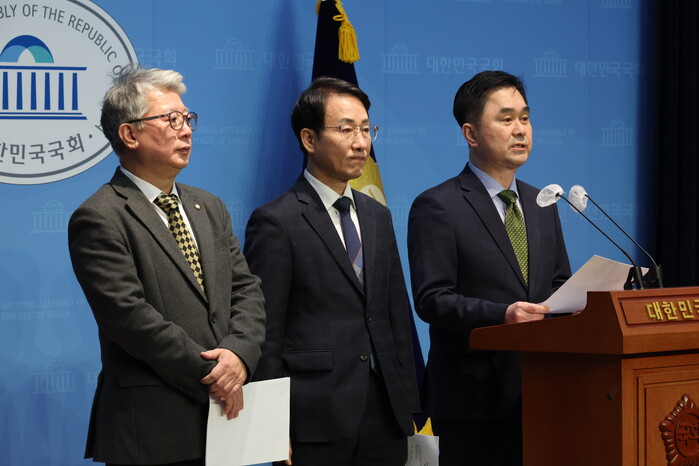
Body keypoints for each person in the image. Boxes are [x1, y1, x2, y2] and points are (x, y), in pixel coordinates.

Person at [68, 65, 266, 466]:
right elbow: (130, 318)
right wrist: (215, 376)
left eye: (188, 118)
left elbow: (245, 289)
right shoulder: (100, 216)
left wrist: (239, 355)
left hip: (227, 424)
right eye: (172, 119)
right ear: (130, 134)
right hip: (152, 432)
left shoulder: (209, 206)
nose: (187, 130)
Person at [244, 76, 420, 466]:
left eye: (366, 129)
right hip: (313, 417)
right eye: (346, 130)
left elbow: (395, 314)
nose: (361, 143)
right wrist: (271, 424)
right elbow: (265, 332)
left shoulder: (377, 215)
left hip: (386, 414)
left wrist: (409, 402)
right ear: (309, 139)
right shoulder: (276, 221)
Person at [407, 70, 571, 466]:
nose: (521, 130)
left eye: (525, 118)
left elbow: (558, 283)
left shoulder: (542, 203)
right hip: (471, 404)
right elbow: (432, 299)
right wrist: (503, 315)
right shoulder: (438, 205)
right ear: (471, 133)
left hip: (542, 394)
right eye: (506, 118)